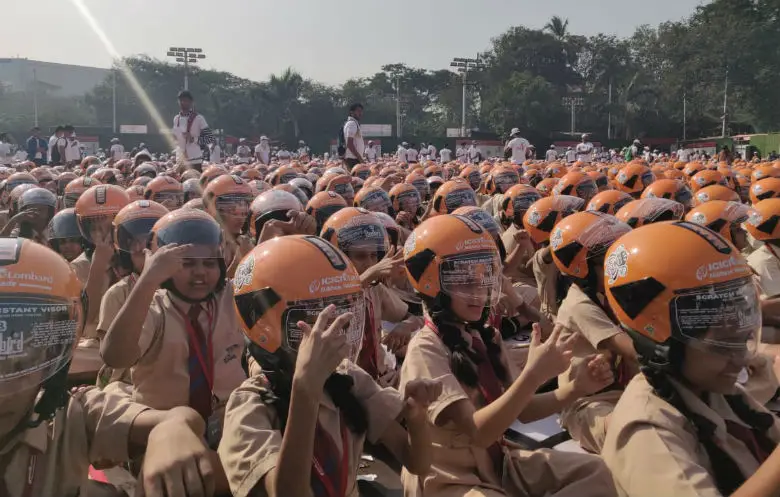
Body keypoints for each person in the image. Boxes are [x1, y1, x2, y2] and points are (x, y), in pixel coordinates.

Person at [399, 214, 618, 497]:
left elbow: (523, 410)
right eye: (465, 282)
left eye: (484, 279)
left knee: (598, 474)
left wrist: (576, 388)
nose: (479, 292)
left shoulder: (484, 335)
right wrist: (534, 374)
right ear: (431, 285)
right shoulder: (425, 349)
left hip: (500, 465)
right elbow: (479, 432)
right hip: (452, 482)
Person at [220, 235, 442, 497]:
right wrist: (306, 389)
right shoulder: (250, 406)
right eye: (314, 322)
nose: (336, 334)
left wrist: (417, 417)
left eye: (342, 319)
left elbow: (418, 462)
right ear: (264, 325)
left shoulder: (348, 379)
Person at [600, 221, 780, 497]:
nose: (740, 357)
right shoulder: (648, 432)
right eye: (723, 343)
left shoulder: (713, 388)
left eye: (741, 338)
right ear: (663, 339)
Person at [172, 90, 215, 172]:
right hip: (180, 160)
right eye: (180, 100)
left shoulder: (199, 118)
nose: (182, 102)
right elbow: (176, 139)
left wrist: (193, 139)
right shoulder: (176, 119)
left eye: (185, 100)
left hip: (195, 161)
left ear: (191, 102)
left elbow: (210, 138)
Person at [342, 103, 365, 171]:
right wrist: (360, 158)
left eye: (361, 111)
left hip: (354, 159)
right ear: (351, 112)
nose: (360, 113)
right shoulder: (352, 124)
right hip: (353, 159)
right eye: (358, 111)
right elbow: (350, 144)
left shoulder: (354, 123)